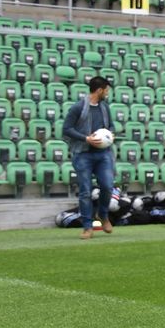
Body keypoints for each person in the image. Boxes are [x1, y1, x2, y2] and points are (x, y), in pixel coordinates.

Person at [61, 75, 116, 240]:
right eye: (106, 90)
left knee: (108, 186)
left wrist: (110, 134)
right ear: (99, 90)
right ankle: (87, 227)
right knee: (85, 191)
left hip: (103, 154)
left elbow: (111, 125)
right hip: (83, 154)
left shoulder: (105, 107)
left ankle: (103, 214)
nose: (107, 93)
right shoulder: (78, 107)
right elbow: (66, 129)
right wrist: (86, 139)